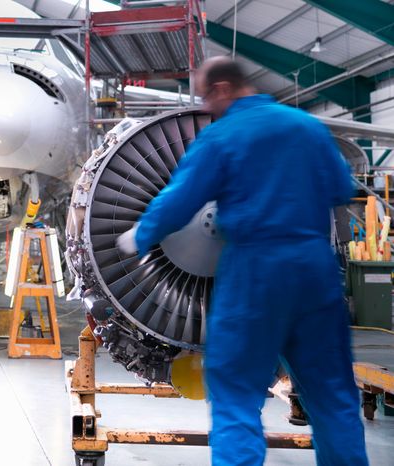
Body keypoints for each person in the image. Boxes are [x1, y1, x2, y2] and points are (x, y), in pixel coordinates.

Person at [117, 57, 368, 465]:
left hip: (255, 275)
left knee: (235, 396)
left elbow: (181, 198)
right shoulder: (307, 127)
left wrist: (140, 235)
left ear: (221, 89)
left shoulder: (224, 136)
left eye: (204, 98)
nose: (204, 108)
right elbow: (342, 188)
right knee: (333, 396)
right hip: (315, 270)